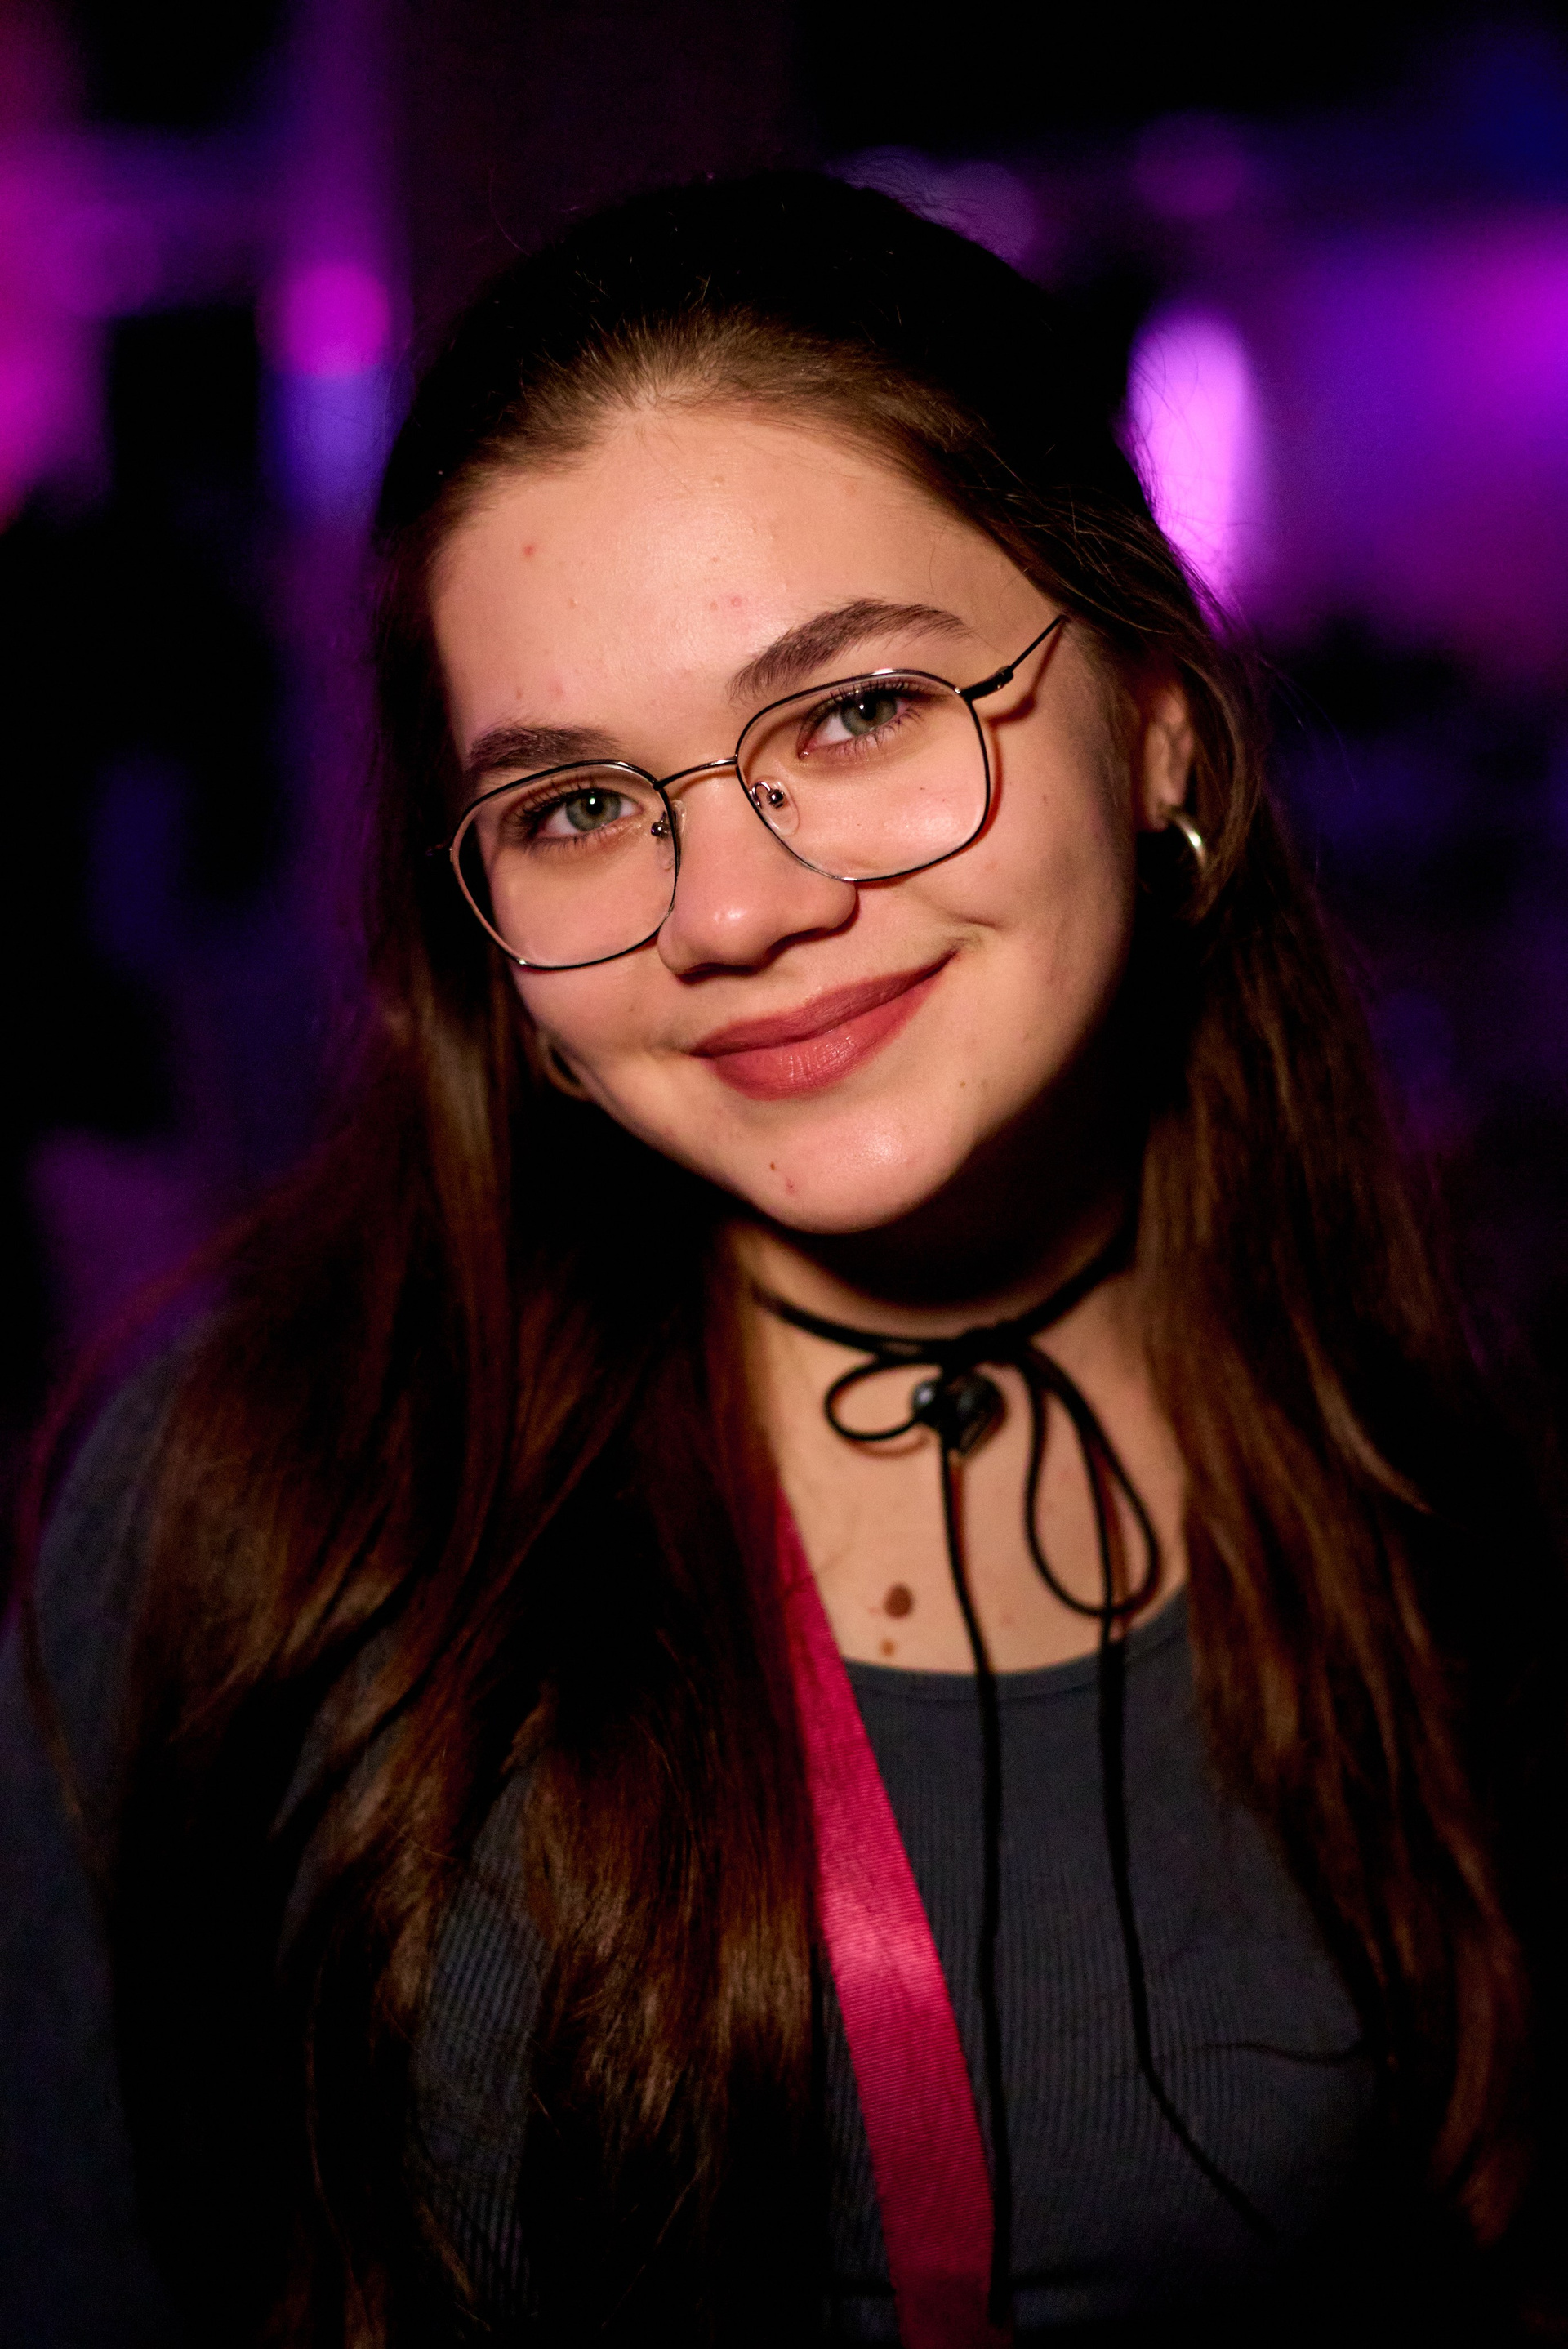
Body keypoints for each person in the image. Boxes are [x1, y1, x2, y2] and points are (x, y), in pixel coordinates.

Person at [2, 172, 1563, 2349]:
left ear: (1162, 725)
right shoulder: (254, 1496)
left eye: (853, 712)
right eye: (572, 805)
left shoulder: (1441, 1438)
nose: (732, 912)